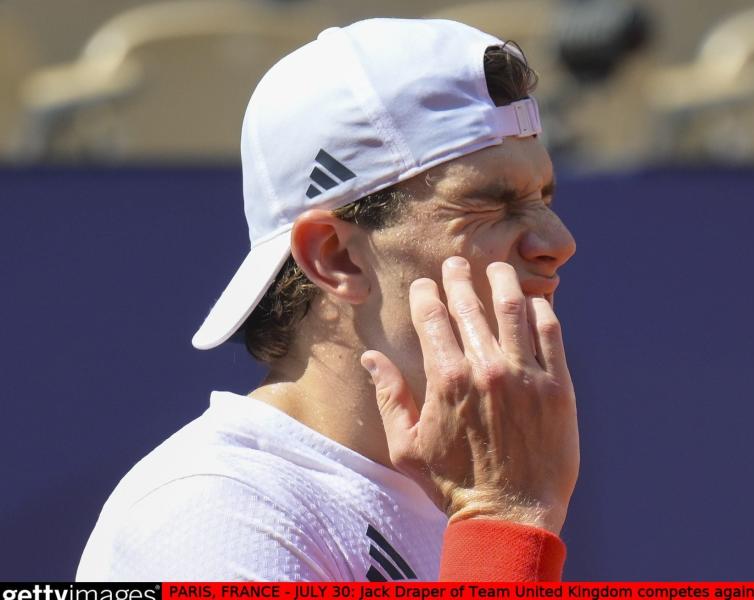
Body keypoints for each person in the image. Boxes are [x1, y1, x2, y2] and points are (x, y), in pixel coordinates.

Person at [77, 18, 579, 582]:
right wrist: (503, 523)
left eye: (543, 197)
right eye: (493, 204)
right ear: (334, 257)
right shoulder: (210, 511)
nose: (558, 243)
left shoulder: (466, 490)